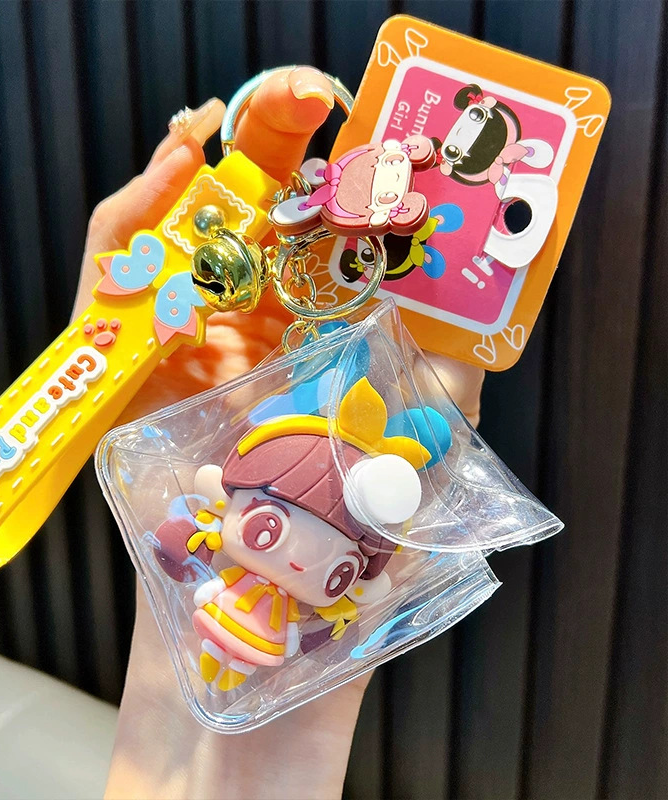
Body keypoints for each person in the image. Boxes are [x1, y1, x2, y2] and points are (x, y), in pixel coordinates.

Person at [71, 67, 483, 800]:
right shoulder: (222, 536)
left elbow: (326, 605)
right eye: (264, 528)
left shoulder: (291, 567)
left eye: (336, 572)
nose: (292, 557)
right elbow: (190, 534)